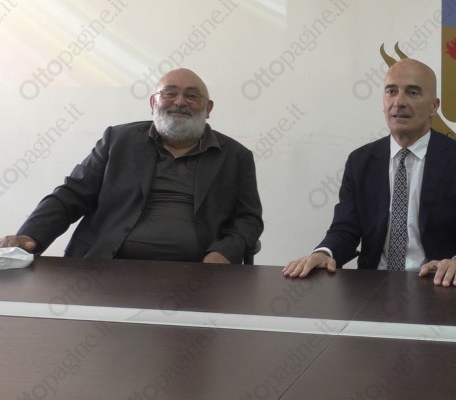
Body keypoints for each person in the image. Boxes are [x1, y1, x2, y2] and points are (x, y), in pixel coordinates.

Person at [0, 68, 263, 264]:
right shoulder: (118, 140)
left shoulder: (235, 156)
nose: (180, 102)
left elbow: (248, 218)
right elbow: (72, 194)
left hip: (197, 275)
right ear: (153, 103)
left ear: (208, 108)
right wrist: (31, 235)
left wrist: (225, 252)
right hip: (104, 266)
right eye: (170, 93)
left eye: (191, 96)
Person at [283, 58, 456, 287]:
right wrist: (324, 252)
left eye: (413, 93)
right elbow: (345, 230)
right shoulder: (360, 162)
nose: (398, 102)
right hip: (373, 286)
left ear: (434, 106)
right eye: (391, 91)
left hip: (438, 285)